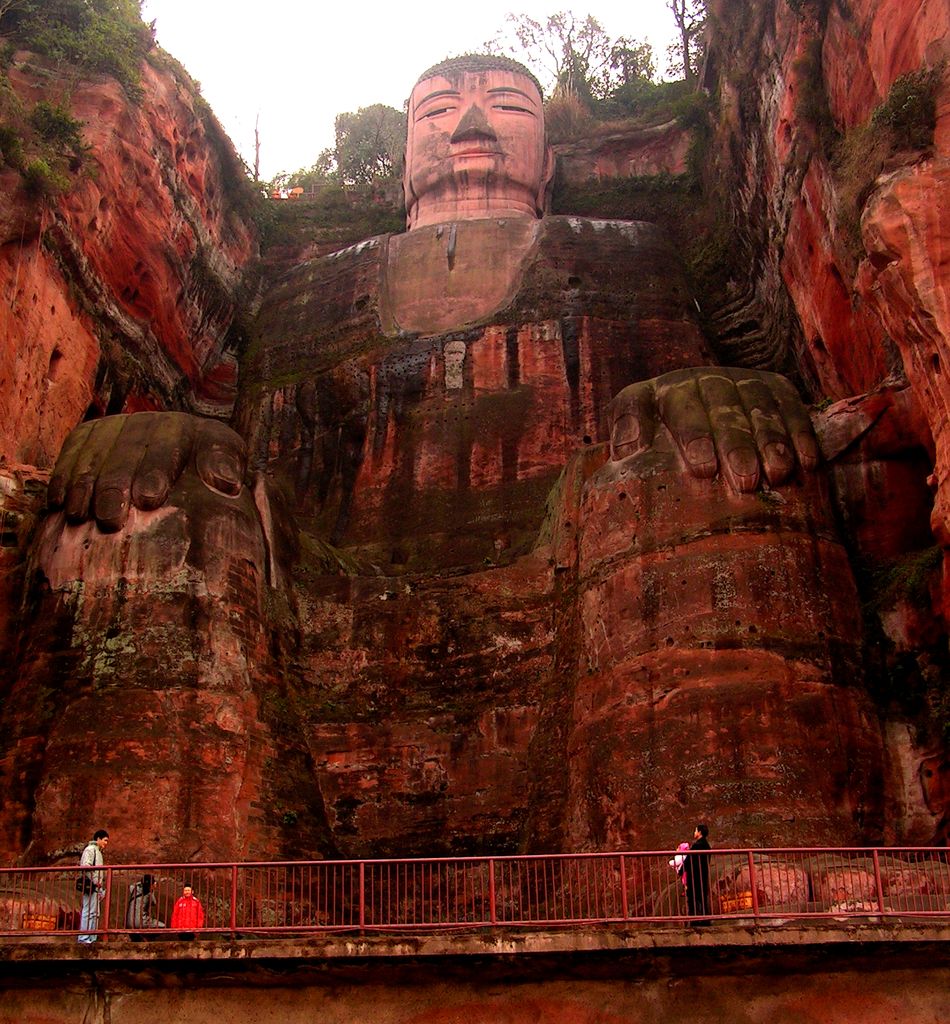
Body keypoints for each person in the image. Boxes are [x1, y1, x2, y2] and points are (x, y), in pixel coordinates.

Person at [1, 54, 886, 863]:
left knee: (710, 466)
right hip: (315, 612)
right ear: (400, 165)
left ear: (549, 163)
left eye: (506, 105)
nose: (470, 128)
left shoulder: (628, 254)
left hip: (587, 584)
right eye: (437, 113)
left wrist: (719, 392)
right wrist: (166, 437)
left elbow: (656, 416)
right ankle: (177, 876)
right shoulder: (301, 293)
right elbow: (256, 480)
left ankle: (727, 864)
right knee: (155, 512)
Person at [77, 828, 109, 944]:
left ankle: (91, 937)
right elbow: (86, 865)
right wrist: (94, 880)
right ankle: (84, 938)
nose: (106, 843)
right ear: (98, 839)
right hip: (91, 885)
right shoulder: (90, 850)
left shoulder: (98, 852)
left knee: (94, 913)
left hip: (96, 886)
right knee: (88, 911)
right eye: (105, 840)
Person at [684, 823, 712, 926]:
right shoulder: (707, 846)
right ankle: (706, 919)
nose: (694, 833)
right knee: (703, 898)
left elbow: (688, 860)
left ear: (699, 832)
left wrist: (681, 870)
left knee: (693, 898)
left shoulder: (697, 846)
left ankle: (694, 920)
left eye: (695, 830)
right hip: (703, 875)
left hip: (694, 876)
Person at [125, 873, 165, 940]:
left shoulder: (134, 889)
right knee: (162, 926)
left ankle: (141, 938)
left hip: (129, 923)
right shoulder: (149, 893)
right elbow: (154, 902)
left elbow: (131, 886)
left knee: (137, 939)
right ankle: (147, 938)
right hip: (141, 922)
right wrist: (152, 890)